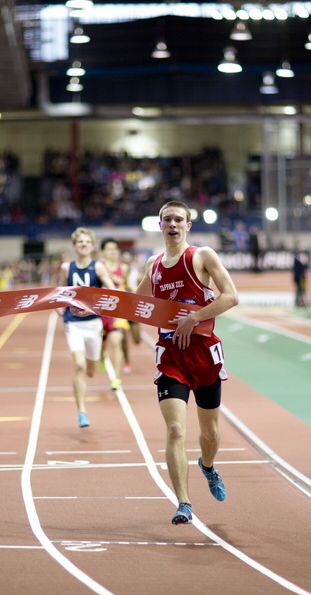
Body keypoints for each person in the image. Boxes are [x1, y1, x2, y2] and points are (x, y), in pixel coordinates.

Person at [136, 200, 239, 525]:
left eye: (179, 219)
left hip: (204, 355)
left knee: (209, 433)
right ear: (160, 225)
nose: (173, 224)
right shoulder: (153, 265)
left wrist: (193, 318)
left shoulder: (201, 256)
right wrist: (92, 305)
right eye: (167, 219)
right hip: (171, 359)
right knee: (176, 429)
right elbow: (134, 304)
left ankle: (207, 466)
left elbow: (231, 296)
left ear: (188, 225)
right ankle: (184, 503)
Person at [58, 228, 116, 428]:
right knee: (80, 366)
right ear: (75, 246)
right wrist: (59, 307)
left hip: (93, 324)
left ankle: (98, 358)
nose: (83, 245)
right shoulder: (67, 267)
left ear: (92, 245)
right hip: (73, 323)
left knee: (91, 371)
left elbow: (112, 290)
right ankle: (82, 412)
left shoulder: (98, 267)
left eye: (86, 242)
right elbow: (59, 291)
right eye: (80, 242)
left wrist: (101, 301)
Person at [99, 238, 131, 389]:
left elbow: (127, 285)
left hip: (118, 311)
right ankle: (101, 356)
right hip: (100, 311)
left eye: (114, 249)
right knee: (99, 347)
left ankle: (117, 378)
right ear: (103, 252)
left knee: (116, 342)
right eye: (108, 249)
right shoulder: (99, 267)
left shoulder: (123, 268)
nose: (112, 252)